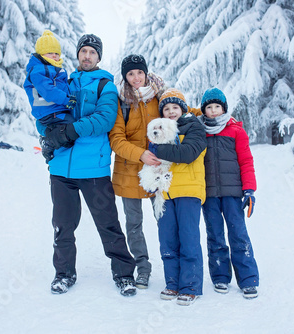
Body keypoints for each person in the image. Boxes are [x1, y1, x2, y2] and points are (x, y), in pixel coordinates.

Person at [38, 34, 137, 297]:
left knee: (108, 225)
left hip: (94, 170)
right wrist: (47, 134)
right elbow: (44, 113)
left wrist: (67, 132)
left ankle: (124, 274)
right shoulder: (64, 82)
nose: (87, 56)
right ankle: (64, 274)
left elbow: (104, 120)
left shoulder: (106, 85)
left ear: (99, 57)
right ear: (78, 54)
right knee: (62, 226)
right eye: (84, 51)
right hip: (61, 170)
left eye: (93, 52)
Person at [108, 54, 166, 289]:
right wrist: (139, 154)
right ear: (125, 76)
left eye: (139, 72)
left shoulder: (158, 96)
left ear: (146, 73)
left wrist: (206, 113)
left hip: (157, 171)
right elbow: (116, 139)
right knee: (133, 224)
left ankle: (173, 265)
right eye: (130, 74)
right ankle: (142, 268)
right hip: (129, 172)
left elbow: (177, 114)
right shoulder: (120, 101)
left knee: (165, 220)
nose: (135, 78)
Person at [197, 87, 259, 299]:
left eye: (217, 107)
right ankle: (220, 276)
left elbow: (246, 161)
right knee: (215, 235)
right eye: (209, 107)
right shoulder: (199, 132)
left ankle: (248, 279)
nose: (213, 111)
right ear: (203, 110)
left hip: (233, 194)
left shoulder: (235, 131)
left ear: (223, 108)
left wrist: (249, 189)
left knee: (238, 234)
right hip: (209, 194)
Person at [148, 88, 207, 306]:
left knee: (189, 239)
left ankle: (190, 286)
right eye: (166, 108)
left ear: (182, 109)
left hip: (189, 191)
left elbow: (187, 154)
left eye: (175, 107)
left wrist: (155, 149)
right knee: (167, 239)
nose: (171, 111)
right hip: (164, 192)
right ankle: (172, 283)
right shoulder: (159, 130)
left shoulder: (194, 127)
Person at [24, 30, 76, 161]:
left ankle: (51, 143)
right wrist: (66, 100)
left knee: (69, 137)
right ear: (41, 54)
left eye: (56, 53)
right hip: (50, 112)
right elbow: (48, 90)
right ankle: (48, 143)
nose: (54, 56)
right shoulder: (39, 70)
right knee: (72, 127)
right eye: (50, 53)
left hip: (55, 110)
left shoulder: (54, 70)